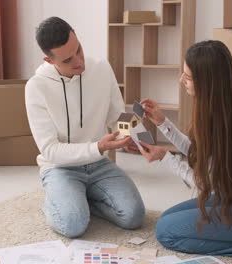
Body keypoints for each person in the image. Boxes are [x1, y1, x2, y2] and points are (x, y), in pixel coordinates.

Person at [137, 40, 232, 259]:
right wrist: (162, 122)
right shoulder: (223, 106)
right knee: (167, 218)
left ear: (206, 81)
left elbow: (206, 185)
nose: (181, 80)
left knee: (166, 233)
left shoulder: (222, 123)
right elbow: (199, 153)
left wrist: (164, 158)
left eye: (187, 77)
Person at [25, 17, 145, 238]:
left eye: (78, 49)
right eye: (68, 59)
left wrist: (137, 136)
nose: (79, 61)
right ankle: (60, 203)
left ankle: (80, 201)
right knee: (73, 225)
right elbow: (50, 150)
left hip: (99, 165)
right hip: (60, 168)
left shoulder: (101, 68)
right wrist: (98, 147)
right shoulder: (36, 87)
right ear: (49, 60)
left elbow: (117, 115)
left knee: (134, 216)